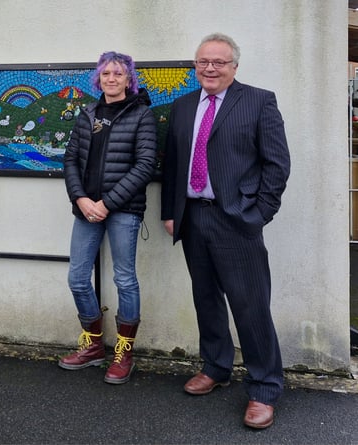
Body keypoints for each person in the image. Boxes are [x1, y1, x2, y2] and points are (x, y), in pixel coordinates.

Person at [161, 33, 290, 429]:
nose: (210, 68)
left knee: (250, 305)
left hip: (236, 220)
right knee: (206, 299)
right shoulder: (183, 106)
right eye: (203, 61)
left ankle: (264, 387)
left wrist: (259, 213)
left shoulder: (258, 101)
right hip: (193, 218)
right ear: (195, 65)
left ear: (235, 66)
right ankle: (216, 366)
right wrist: (170, 211)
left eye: (219, 62)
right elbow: (172, 163)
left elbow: (277, 164)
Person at [58, 51, 157, 385]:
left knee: (124, 279)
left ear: (129, 79)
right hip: (86, 209)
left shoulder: (141, 115)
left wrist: (107, 203)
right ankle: (94, 344)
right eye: (106, 73)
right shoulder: (87, 114)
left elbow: (145, 165)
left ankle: (124, 351)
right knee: (77, 277)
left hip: (123, 211)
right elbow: (70, 160)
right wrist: (82, 198)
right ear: (97, 78)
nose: (111, 79)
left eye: (118, 74)